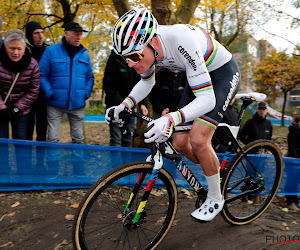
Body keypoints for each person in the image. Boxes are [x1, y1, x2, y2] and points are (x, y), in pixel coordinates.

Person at [105, 7, 241, 222]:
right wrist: (124, 105)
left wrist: (170, 118)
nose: (130, 63)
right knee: (179, 143)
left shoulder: (180, 40)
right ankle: (213, 167)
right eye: (126, 58)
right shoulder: (148, 49)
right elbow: (147, 82)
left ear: (154, 43)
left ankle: (216, 197)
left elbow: (207, 100)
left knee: (198, 139)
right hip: (196, 72)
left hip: (221, 73)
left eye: (133, 56)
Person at [39, 22, 94, 144]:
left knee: (79, 139)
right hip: (55, 103)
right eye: (75, 34)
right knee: (53, 138)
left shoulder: (85, 54)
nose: (79, 37)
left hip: (78, 103)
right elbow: (41, 74)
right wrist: (49, 92)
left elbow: (90, 77)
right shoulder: (51, 51)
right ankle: (53, 163)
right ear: (66, 34)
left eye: (80, 34)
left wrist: (86, 93)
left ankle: (77, 163)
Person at [0, 29, 40, 139]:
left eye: (19, 49)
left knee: (22, 140)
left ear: (24, 48)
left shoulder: (33, 65)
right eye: (12, 48)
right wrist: (2, 108)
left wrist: (17, 108)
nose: (16, 52)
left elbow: (33, 90)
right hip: (1, 108)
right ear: (5, 47)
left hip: (22, 110)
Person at [103, 50, 148, 147]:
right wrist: (123, 104)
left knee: (128, 138)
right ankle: (116, 162)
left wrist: (142, 103)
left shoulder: (136, 59)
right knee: (116, 139)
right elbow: (108, 85)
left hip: (130, 107)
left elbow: (140, 84)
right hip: (115, 106)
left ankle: (127, 161)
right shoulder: (114, 59)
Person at [25, 21, 48, 141]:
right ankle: (25, 160)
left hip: (43, 98)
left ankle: (41, 159)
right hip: (26, 98)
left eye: (42, 32)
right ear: (29, 34)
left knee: (42, 132)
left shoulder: (48, 50)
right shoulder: (22, 50)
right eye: (36, 33)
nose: (41, 36)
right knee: (26, 132)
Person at [285, 115, 300, 211]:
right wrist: (296, 158)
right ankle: (290, 202)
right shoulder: (293, 132)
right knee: (291, 181)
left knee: (297, 181)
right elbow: (292, 147)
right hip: (293, 160)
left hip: (298, 161)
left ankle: (295, 201)